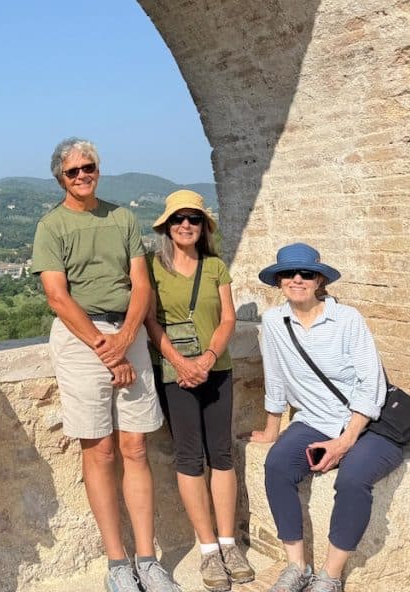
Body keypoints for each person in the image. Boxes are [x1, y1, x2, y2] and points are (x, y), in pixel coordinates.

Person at [31, 137, 181, 592]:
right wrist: (105, 347)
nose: (82, 176)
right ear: (60, 178)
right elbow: (57, 296)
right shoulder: (51, 226)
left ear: (98, 169)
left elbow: (141, 285)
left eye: (88, 167)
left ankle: (147, 559)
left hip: (126, 331)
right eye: (73, 171)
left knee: (135, 447)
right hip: (83, 337)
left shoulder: (122, 218)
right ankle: (118, 563)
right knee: (99, 450)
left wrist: (126, 339)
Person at [249, 243, 403, 592]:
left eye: (306, 273)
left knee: (352, 479)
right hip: (314, 419)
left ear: (319, 280)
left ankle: (330, 576)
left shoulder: (347, 319)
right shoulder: (273, 322)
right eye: (288, 273)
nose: (297, 279)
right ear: (278, 280)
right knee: (277, 466)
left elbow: (371, 382)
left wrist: (345, 441)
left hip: (368, 424)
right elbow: (275, 378)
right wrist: (272, 429)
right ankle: (297, 567)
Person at [143, 191, 254, 591]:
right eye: (178, 219)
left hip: (216, 369)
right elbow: (151, 322)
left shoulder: (215, 267)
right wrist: (180, 362)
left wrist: (206, 359)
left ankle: (228, 544)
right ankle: (208, 549)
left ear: (203, 227)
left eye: (193, 218)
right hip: (176, 374)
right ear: (167, 227)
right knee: (190, 457)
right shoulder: (152, 268)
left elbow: (228, 318)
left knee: (221, 455)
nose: (185, 225)